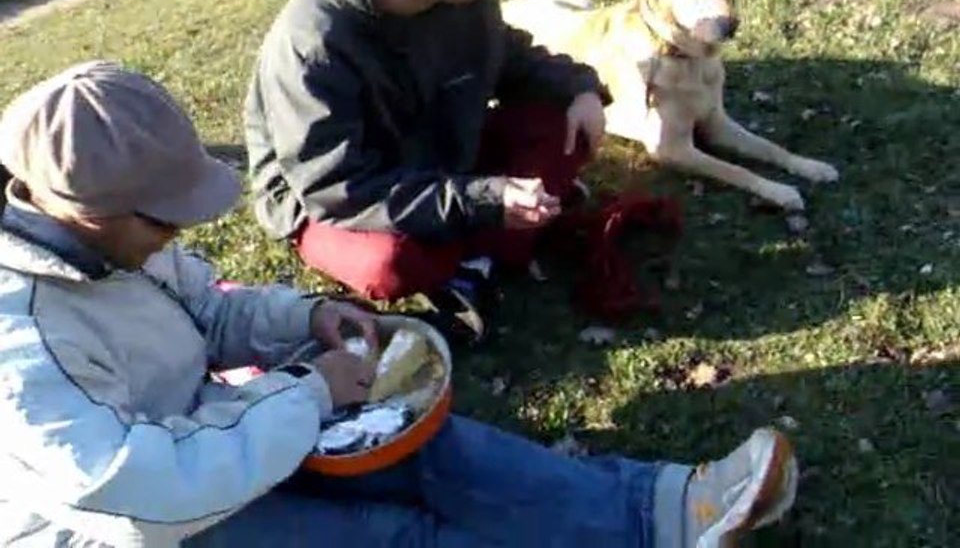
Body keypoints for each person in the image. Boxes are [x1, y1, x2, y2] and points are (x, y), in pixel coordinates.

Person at [0, 62, 798, 546]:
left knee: (429, 452)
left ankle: (667, 515)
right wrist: (309, 393)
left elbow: (207, 310)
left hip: (212, 436)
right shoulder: (21, 342)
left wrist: (306, 323)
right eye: (161, 217)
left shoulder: (115, 238)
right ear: (82, 211)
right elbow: (143, 488)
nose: (177, 231)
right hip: (138, 530)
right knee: (393, 537)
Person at [244, 0, 610, 342]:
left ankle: (476, 256)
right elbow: (340, 188)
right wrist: (485, 198)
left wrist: (578, 87)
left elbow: (512, 59)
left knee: (566, 124)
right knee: (391, 265)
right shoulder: (312, 47)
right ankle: (490, 247)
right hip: (345, 198)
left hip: (441, 160)